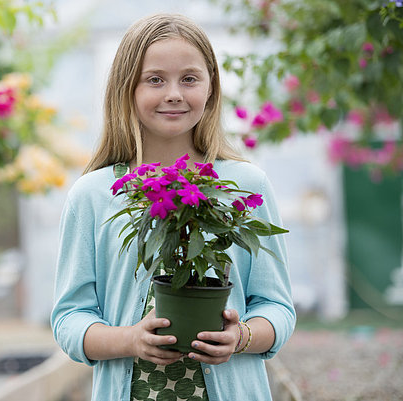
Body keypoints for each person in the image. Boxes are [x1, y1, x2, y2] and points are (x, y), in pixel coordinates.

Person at [51, 13, 295, 401]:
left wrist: (241, 336)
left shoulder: (245, 185)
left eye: (190, 78)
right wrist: (130, 340)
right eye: (155, 79)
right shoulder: (93, 195)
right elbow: (69, 319)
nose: (174, 94)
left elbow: (277, 306)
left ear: (211, 89)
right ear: (125, 89)